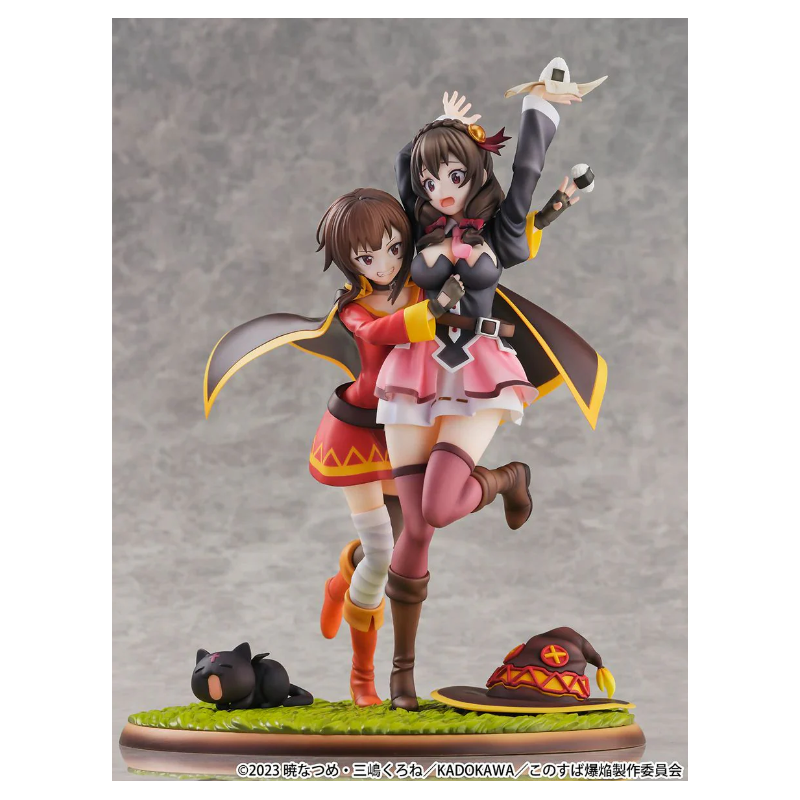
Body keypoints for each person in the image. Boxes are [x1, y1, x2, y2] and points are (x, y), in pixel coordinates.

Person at [377, 59, 609, 710]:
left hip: (476, 369)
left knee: (438, 508)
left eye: (454, 175)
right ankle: (402, 678)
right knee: (414, 531)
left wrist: (541, 106)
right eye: (431, 179)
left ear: (476, 172)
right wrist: (437, 128)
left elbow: (527, 172)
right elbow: (401, 172)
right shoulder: (415, 226)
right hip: (414, 368)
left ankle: (508, 478)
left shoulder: (497, 232)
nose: (441, 189)